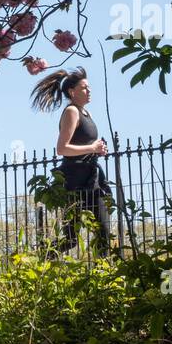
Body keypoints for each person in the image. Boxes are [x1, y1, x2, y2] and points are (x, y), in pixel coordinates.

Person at [30, 66, 113, 257]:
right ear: (72, 92)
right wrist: (92, 148)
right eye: (84, 88)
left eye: (89, 87)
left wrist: (98, 150)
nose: (89, 91)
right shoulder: (71, 112)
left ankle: (104, 278)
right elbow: (62, 148)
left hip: (91, 180)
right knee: (71, 237)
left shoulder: (86, 114)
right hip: (75, 182)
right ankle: (43, 257)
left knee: (103, 231)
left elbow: (83, 145)